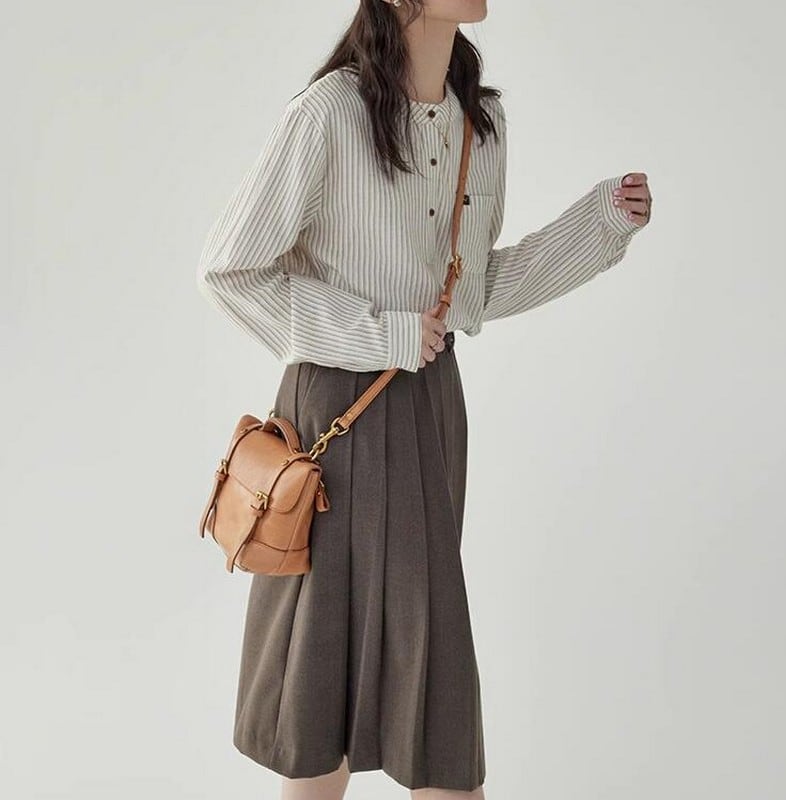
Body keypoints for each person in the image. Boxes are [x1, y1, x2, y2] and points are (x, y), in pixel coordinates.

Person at [196, 2, 652, 798]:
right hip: (338, 411)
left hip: (430, 408)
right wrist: (379, 334)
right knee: (324, 672)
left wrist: (598, 226)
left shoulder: (481, 125)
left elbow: (473, 296)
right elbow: (230, 271)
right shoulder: (330, 115)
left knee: (425, 659)